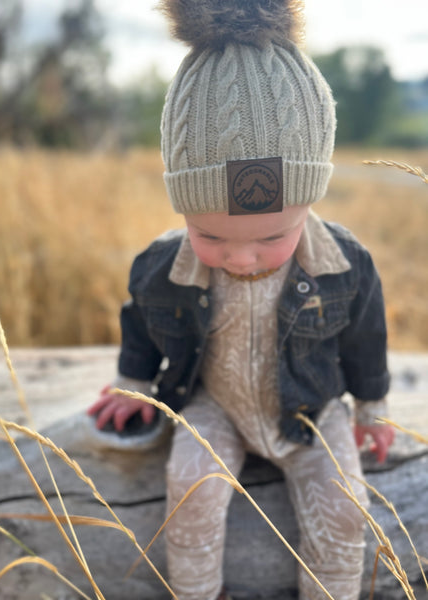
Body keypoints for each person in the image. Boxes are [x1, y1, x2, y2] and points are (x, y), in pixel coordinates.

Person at [88, 1, 395, 598]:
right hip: (215, 405)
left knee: (344, 507)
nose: (242, 257)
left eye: (272, 236)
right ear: (183, 209)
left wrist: (373, 410)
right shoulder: (161, 267)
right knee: (192, 486)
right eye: (211, 235)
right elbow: (142, 325)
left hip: (313, 410)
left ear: (307, 204)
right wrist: (134, 381)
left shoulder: (344, 265)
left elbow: (365, 336)